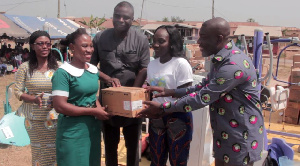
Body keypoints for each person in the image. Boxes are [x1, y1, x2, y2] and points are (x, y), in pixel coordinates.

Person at [138, 17, 264, 166]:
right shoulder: (220, 60)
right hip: (225, 134)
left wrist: (163, 107)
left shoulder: (232, 65)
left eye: (203, 37)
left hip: (240, 137)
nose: (198, 42)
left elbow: (202, 97)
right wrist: (170, 91)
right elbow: (202, 86)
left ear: (219, 39)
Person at [90, 1, 150, 166]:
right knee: (110, 144)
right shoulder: (100, 38)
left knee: (132, 145)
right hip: (109, 101)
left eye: (126, 17)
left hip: (133, 101)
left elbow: (144, 68)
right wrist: (107, 79)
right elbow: (90, 67)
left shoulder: (141, 39)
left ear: (133, 20)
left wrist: (132, 92)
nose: (121, 20)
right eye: (118, 16)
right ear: (113, 16)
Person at [52, 28, 110, 166]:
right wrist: (93, 111)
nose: (89, 50)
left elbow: (90, 95)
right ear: (72, 47)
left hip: (92, 129)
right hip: (73, 130)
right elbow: (59, 106)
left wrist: (100, 108)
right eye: (84, 46)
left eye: (91, 46)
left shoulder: (92, 70)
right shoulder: (63, 73)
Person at [146, 25, 193, 166]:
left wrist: (163, 107)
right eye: (154, 41)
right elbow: (150, 92)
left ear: (172, 43)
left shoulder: (181, 64)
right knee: (156, 159)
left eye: (161, 41)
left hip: (178, 119)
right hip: (156, 118)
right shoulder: (152, 65)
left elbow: (185, 96)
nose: (155, 45)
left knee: (177, 161)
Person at [14, 30, 60, 166]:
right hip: (33, 119)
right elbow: (17, 91)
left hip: (55, 118)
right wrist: (33, 99)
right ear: (33, 46)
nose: (45, 47)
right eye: (40, 44)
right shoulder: (25, 68)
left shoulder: (59, 67)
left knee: (54, 151)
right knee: (39, 152)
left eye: (47, 44)